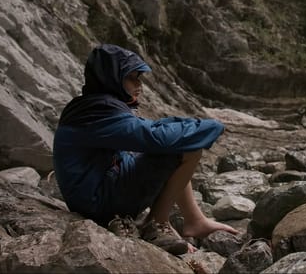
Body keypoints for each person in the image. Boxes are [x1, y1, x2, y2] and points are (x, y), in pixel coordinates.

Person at [52, 44, 237, 255]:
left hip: (99, 188)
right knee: (185, 149)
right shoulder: (97, 112)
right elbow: (155, 137)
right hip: (98, 204)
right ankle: (156, 224)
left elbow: (152, 132)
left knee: (178, 144)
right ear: (111, 78)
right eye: (132, 78)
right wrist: (212, 125)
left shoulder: (95, 106)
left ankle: (195, 220)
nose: (139, 85)